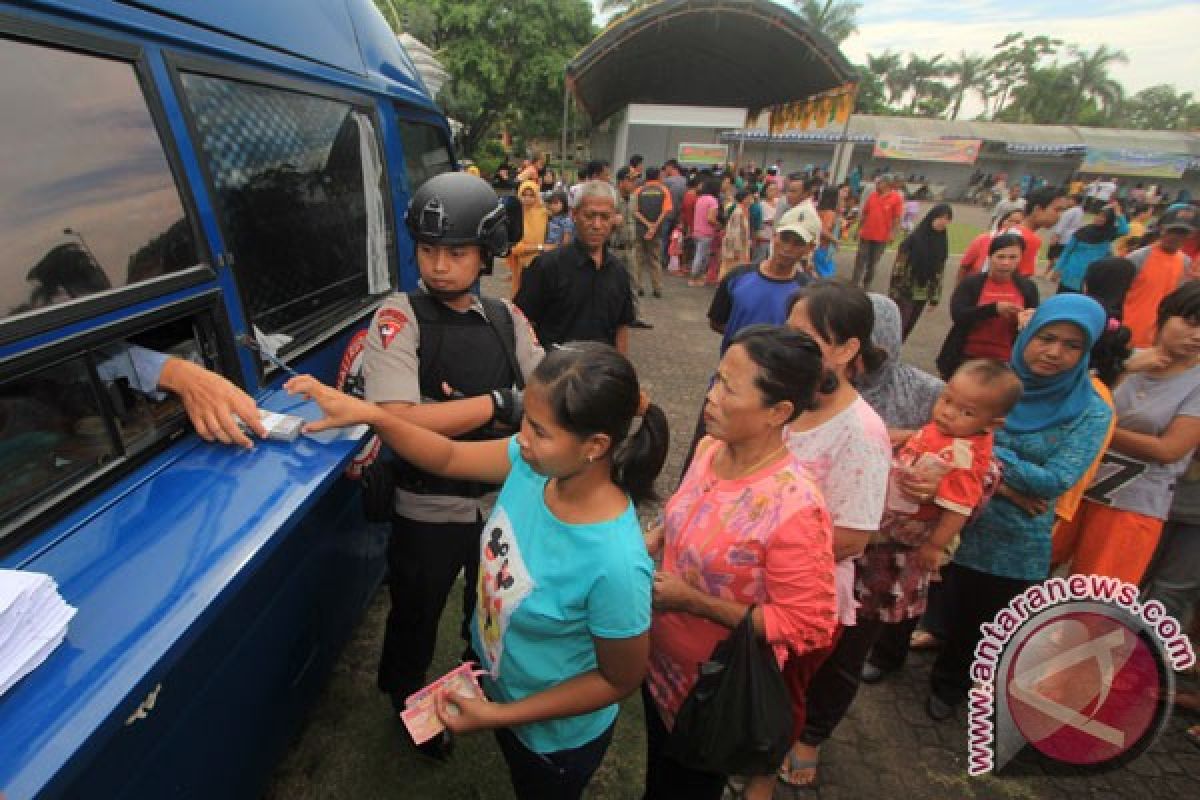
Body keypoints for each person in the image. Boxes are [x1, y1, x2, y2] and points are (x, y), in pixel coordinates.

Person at [286, 341, 668, 800]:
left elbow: (617, 679)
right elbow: (447, 456)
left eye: (541, 430)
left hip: (553, 740)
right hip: (503, 686)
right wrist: (375, 415)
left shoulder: (616, 564)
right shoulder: (536, 467)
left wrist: (499, 718)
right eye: (526, 418)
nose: (523, 436)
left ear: (596, 446)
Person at [360, 173, 544, 751]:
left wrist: (446, 409)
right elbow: (394, 418)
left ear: (485, 252)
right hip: (427, 504)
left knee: (489, 615)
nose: (439, 265)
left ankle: (473, 692)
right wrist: (495, 406)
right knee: (415, 615)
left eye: (456, 252)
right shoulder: (400, 315)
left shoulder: (504, 319)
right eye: (429, 250)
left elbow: (546, 397)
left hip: (499, 507)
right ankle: (410, 707)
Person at [643, 325, 837, 800]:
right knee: (659, 777)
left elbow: (809, 624)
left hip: (714, 694)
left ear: (779, 412)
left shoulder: (795, 508)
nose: (711, 395)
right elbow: (684, 517)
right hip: (661, 670)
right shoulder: (711, 450)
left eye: (729, 387)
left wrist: (694, 601)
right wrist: (646, 543)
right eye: (716, 379)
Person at [928, 295, 1112, 720]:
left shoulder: (1091, 411)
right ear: (1027, 333)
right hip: (947, 519)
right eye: (1046, 338)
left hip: (1010, 540)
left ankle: (950, 686)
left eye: (1071, 345)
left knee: (980, 621)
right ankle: (899, 652)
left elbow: (1054, 481)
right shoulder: (995, 381)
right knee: (933, 599)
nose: (1053, 352)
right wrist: (1007, 486)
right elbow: (942, 434)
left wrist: (979, 447)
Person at [779, 282, 892, 788]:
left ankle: (785, 749)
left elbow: (850, 539)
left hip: (801, 592)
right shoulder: (785, 398)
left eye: (807, 338)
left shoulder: (862, 433)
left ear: (848, 349)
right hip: (755, 582)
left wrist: (753, 545)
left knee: (783, 696)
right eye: (790, 333)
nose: (791, 346)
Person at [859, 360, 1022, 684]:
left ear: (992, 424)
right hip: (891, 523)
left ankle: (882, 650)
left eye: (965, 412)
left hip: (909, 540)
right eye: (947, 400)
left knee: (884, 598)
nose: (948, 413)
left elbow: (960, 506)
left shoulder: (963, 454)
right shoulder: (946, 432)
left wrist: (935, 546)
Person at [1052, 282, 1200, 584]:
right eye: (1190, 322)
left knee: (1095, 599)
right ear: (1165, 315)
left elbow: (1169, 449)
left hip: (1134, 502)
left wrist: (1098, 428)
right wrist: (1125, 367)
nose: (1197, 336)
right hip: (1073, 483)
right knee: (1028, 572)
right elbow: (1063, 401)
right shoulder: (1124, 359)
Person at [515, 181, 636, 354]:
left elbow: (621, 328)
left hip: (600, 374)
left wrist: (622, 374)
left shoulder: (618, 272)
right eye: (589, 215)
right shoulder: (547, 267)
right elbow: (523, 324)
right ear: (574, 215)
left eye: (605, 217)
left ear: (614, 219)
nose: (597, 225)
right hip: (554, 374)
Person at [708, 216, 820, 353]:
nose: (788, 248)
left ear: (810, 248)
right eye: (784, 239)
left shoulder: (809, 292)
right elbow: (716, 322)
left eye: (798, 243)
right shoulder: (736, 277)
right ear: (774, 237)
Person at [937, 233, 1040, 379]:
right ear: (990, 257)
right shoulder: (972, 283)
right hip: (967, 355)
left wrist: (1027, 319)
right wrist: (993, 309)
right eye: (1001, 256)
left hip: (1005, 360)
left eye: (1012, 257)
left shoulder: (1027, 288)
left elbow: (1035, 322)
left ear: (1021, 258)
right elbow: (958, 315)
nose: (1006, 263)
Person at [1123, 206, 1198, 348]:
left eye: (1182, 233)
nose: (1176, 237)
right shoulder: (1138, 257)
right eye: (1172, 231)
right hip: (1128, 333)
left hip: (1159, 339)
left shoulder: (1185, 262)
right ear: (1162, 230)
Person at [888, 204, 952, 340]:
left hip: (923, 294)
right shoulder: (913, 239)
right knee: (898, 326)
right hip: (905, 290)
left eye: (947, 219)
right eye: (940, 217)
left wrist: (935, 298)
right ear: (932, 217)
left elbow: (940, 272)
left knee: (908, 328)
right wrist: (894, 292)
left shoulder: (942, 243)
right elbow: (898, 267)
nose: (943, 221)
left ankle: (895, 354)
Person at [1052, 203, 1129, 293]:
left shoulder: (1108, 235)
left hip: (1091, 278)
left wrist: (1118, 214)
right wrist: (1058, 269)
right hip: (1071, 274)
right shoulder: (1081, 232)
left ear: (1109, 221)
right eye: (1098, 215)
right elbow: (1067, 252)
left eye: (1104, 217)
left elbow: (1124, 230)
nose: (1099, 218)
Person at [851, 174, 903, 290]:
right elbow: (865, 214)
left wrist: (893, 233)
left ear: (887, 184)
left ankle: (866, 285)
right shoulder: (873, 196)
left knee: (872, 263)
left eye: (880, 183)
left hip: (881, 237)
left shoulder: (896, 198)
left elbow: (896, 218)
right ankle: (854, 284)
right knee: (860, 260)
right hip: (866, 234)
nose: (877, 184)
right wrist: (858, 229)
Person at [632, 166, 673, 298]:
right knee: (655, 259)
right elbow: (666, 211)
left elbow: (635, 211)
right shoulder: (664, 190)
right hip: (657, 231)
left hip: (639, 230)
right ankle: (657, 289)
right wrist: (654, 226)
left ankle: (638, 287)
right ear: (657, 177)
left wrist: (647, 224)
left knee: (638, 259)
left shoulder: (638, 191)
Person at [956, 208, 1024, 284]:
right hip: (976, 287)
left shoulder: (1022, 247)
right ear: (1002, 221)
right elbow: (964, 266)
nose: (1012, 225)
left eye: (1018, 223)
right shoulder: (983, 239)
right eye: (1010, 220)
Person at [1015, 186, 1068, 278]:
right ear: (1037, 210)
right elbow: (1021, 279)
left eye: (1062, 211)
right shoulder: (1029, 240)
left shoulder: (1009, 229)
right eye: (1057, 210)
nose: (1060, 216)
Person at [507, 180, 548, 296]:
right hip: (521, 263)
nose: (527, 198)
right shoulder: (515, 215)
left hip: (541, 263)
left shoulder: (544, 214)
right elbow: (514, 248)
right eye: (524, 195)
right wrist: (540, 247)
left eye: (531, 195)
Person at [688, 177, 721, 287]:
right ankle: (693, 279)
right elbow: (711, 218)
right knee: (701, 256)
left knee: (700, 255)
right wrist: (719, 225)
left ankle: (696, 277)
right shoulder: (713, 201)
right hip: (706, 232)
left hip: (697, 230)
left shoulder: (700, 198)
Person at [1045, 193, 1084, 271]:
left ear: (1074, 201)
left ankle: (1056, 272)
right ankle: (1047, 272)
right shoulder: (1080, 211)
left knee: (1055, 256)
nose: (1068, 201)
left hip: (1063, 236)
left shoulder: (1071, 212)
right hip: (1070, 236)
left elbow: (1062, 224)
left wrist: (1056, 236)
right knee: (1057, 256)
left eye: (1070, 200)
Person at [718, 189, 752, 279]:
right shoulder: (738, 211)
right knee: (731, 266)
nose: (750, 200)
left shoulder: (744, 210)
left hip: (741, 244)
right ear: (743, 199)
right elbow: (735, 232)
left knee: (735, 267)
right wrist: (736, 248)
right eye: (748, 198)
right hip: (736, 245)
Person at [753, 181, 781, 263]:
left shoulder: (779, 202)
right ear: (765, 190)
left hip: (776, 238)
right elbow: (758, 221)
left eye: (775, 189)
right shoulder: (761, 204)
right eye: (770, 190)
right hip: (763, 237)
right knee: (759, 261)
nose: (773, 192)